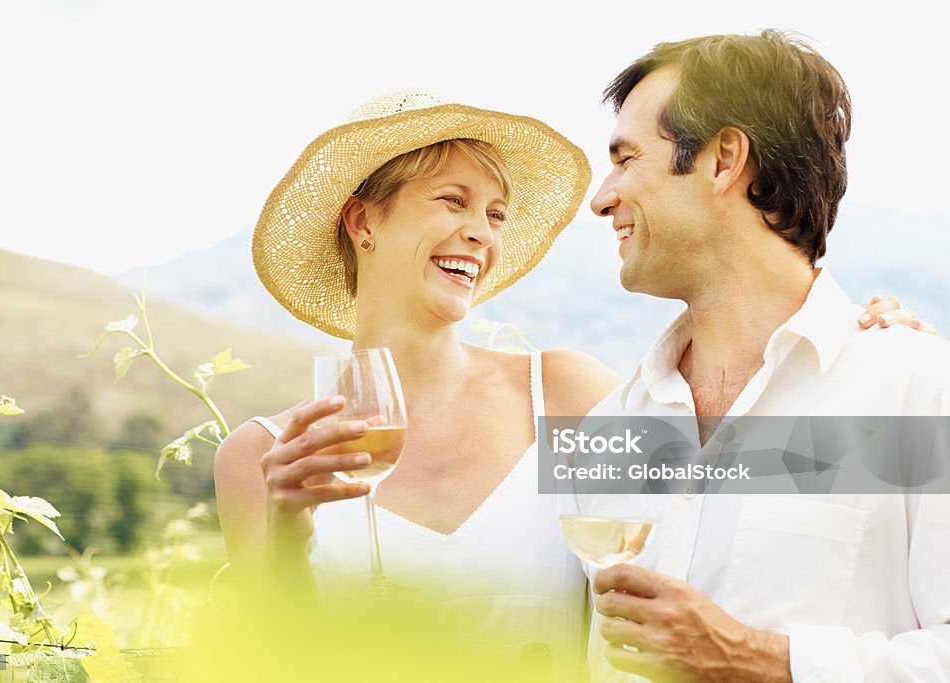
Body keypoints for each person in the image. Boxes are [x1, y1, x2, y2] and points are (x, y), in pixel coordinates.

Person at [214, 87, 924, 679]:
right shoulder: (263, 458)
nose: (480, 234)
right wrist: (285, 534)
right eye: (452, 200)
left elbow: (746, 472)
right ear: (363, 219)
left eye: (495, 214)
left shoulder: (561, 396)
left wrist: (860, 349)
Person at [583, 30, 950, 682]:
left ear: (724, 159)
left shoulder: (919, 390)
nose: (601, 197)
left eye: (627, 158)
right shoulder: (608, 427)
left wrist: (762, 660)